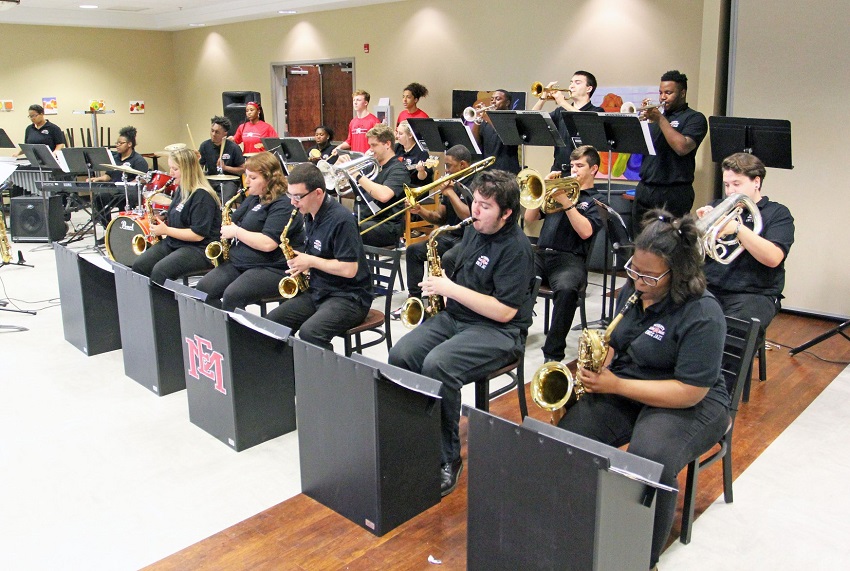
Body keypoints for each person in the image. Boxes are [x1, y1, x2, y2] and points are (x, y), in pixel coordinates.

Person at [557, 210, 729, 570]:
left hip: (690, 402)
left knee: (648, 460)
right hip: (631, 383)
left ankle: (638, 557)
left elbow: (690, 391)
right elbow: (618, 340)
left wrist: (616, 384)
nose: (637, 280)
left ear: (678, 273)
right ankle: (576, 524)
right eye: (633, 269)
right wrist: (604, 363)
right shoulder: (633, 291)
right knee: (570, 437)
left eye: (649, 275)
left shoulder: (703, 313)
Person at [388, 170, 535, 497]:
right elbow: (463, 265)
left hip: (500, 331)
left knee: (438, 365)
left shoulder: (517, 248)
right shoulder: (474, 230)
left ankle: (448, 458)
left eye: (485, 206)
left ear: (507, 213)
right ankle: (420, 438)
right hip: (457, 318)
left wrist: (449, 288)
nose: (475, 212)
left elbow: (504, 311)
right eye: (475, 203)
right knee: (400, 355)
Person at [265, 163, 373, 350]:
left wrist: (311, 261)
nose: (292, 202)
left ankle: (324, 378)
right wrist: (303, 263)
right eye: (290, 195)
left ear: (318, 193)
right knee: (273, 322)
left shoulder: (342, 220)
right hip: (319, 290)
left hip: (349, 297)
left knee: (310, 334)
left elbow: (349, 269)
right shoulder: (309, 213)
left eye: (298, 196)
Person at [697, 152, 794, 335]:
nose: (730, 191)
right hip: (710, 288)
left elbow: (774, 258)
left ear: (756, 182)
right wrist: (703, 231)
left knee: (734, 330)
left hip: (754, 294)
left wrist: (738, 229)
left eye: (736, 184)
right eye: (726, 185)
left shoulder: (777, 213)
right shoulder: (717, 206)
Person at [195, 152, 304, 311]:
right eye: (247, 176)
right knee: (204, 288)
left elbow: (268, 244)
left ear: (269, 178)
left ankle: (238, 334)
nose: (247, 181)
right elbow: (233, 221)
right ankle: (219, 331)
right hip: (241, 261)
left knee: (232, 295)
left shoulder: (283, 204)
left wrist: (236, 232)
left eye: (253, 178)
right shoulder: (254, 197)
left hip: (272, 267)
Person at [524, 145, 604, 362]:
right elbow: (530, 218)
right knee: (513, 275)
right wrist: (543, 188)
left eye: (580, 166)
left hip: (569, 259)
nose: (574, 170)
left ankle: (552, 354)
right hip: (541, 253)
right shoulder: (558, 191)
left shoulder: (595, 200)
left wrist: (566, 203)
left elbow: (586, 231)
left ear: (594, 169)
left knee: (568, 290)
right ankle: (512, 339)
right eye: (572, 165)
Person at [391, 144, 474, 320]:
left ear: (463, 165)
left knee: (449, 258)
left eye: (449, 166)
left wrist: (450, 192)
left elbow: (470, 216)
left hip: (470, 238)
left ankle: (449, 307)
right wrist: (420, 210)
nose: (446, 170)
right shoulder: (451, 183)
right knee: (413, 250)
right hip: (450, 234)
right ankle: (415, 301)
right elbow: (439, 217)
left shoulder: (476, 184)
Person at [632, 70, 708, 237]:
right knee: (640, 242)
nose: (662, 97)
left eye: (668, 92)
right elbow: (637, 150)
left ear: (682, 93)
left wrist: (660, 119)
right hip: (646, 188)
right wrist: (642, 123)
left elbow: (682, 148)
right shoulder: (653, 119)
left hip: (674, 192)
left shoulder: (694, 118)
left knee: (669, 244)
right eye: (660, 92)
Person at [131, 148, 222, 285]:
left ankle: (163, 305)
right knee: (139, 265)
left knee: (160, 271)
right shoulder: (182, 189)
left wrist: (166, 231)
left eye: (175, 169)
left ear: (188, 170)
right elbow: (179, 215)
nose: (170, 173)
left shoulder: (202, 196)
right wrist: (162, 218)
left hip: (199, 248)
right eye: (170, 168)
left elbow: (198, 234)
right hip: (175, 242)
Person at [342, 123, 409, 248]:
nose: (370, 149)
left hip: (387, 225)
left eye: (374, 145)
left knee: (345, 230)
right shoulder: (371, 166)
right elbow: (351, 189)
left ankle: (350, 266)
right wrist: (344, 171)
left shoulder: (399, 170)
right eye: (370, 145)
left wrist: (356, 174)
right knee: (334, 222)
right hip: (364, 219)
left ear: (387, 144)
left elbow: (384, 196)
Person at [531, 71, 604, 177]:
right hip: (558, 169)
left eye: (577, 83)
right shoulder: (560, 110)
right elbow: (533, 119)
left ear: (589, 88)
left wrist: (562, 102)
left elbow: (584, 120)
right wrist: (543, 98)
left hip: (581, 171)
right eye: (571, 82)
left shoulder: (597, 111)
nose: (571, 86)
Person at [89, 126, 150, 235]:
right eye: (116, 143)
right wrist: (97, 179)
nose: (117, 145)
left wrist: (128, 184)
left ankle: (125, 230)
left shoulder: (138, 160)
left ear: (129, 144)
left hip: (128, 192)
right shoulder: (115, 158)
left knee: (124, 200)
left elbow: (143, 179)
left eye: (120, 143)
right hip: (114, 189)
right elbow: (108, 176)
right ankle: (109, 229)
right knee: (99, 198)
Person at [471, 89, 521, 174]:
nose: (493, 102)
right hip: (488, 170)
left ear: (507, 103)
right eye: (492, 99)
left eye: (498, 99)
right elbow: (475, 141)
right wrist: (477, 119)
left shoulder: (513, 119)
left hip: (507, 171)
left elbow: (507, 136)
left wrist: (487, 117)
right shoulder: (485, 121)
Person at [198, 115, 246, 203]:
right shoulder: (205, 146)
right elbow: (199, 168)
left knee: (224, 200)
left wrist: (225, 168)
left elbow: (243, 169)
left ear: (225, 133)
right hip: (211, 179)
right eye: (212, 131)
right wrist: (194, 161)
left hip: (229, 182)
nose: (213, 134)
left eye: (217, 132)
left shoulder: (233, 147)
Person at [332, 90, 380, 155]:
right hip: (355, 159)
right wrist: (339, 147)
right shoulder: (353, 122)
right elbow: (349, 142)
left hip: (368, 158)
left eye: (358, 100)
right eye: (354, 100)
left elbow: (379, 141)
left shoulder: (374, 121)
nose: (355, 102)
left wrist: (370, 150)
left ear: (366, 103)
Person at [394, 120, 433, 187]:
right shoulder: (396, 147)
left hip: (413, 187)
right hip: (397, 185)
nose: (397, 136)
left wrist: (421, 171)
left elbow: (423, 179)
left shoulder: (422, 152)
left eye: (400, 134)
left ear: (410, 135)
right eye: (397, 133)